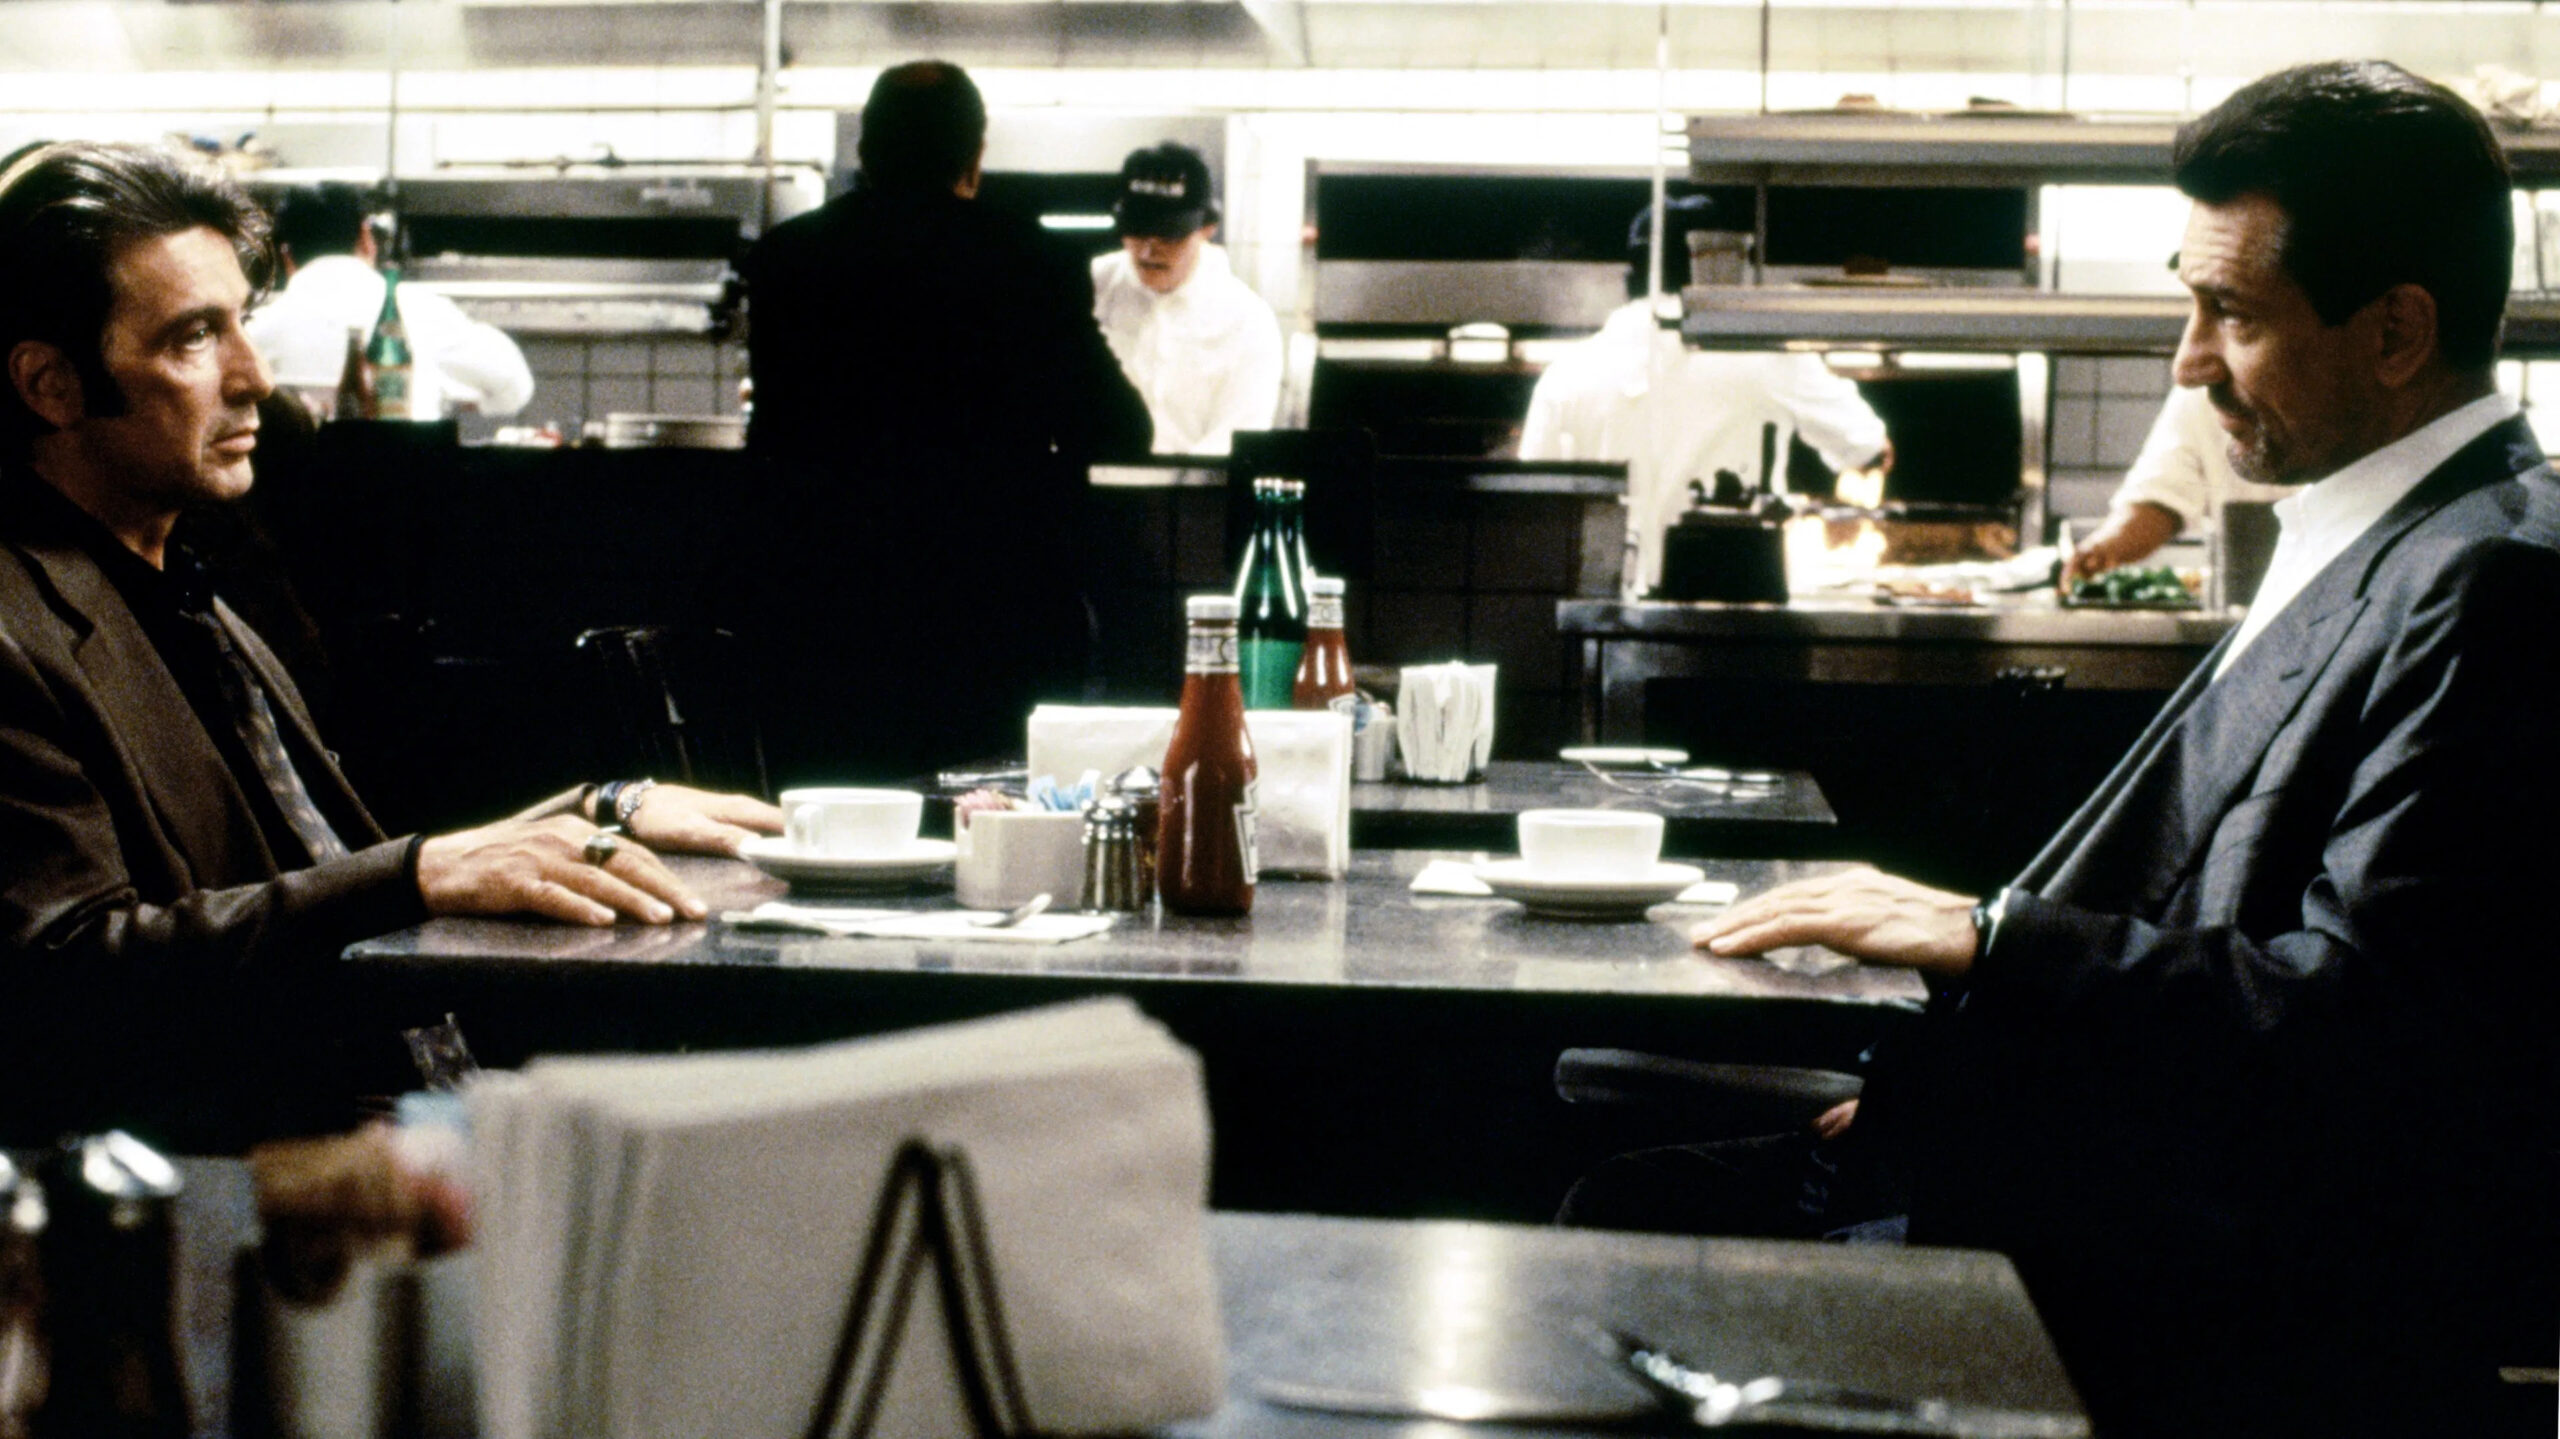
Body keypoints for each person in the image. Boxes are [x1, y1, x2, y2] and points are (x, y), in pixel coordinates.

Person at [1581, 63, 2555, 1436]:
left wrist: (1992, 936)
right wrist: (1963, 1077)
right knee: (1613, 1169)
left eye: (2232, 314)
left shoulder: (2495, 577)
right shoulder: (2378, 530)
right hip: (2125, 1192)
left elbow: (2361, 1030)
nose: (2188, 360)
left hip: (2210, 1299)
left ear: (2396, 330)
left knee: (1604, 1226)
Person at [0, 142, 781, 1142]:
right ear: (51, 384)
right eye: (193, 337)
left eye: (242, 322)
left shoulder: (185, 583)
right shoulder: (18, 625)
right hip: (248, 1164)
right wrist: (415, 874)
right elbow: (62, 976)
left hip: (381, 1103)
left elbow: (322, 863)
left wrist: (595, 809)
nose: (254, 375)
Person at [736, 60, 1149, 781]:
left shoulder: (789, 258)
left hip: (826, 603)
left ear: (865, 152)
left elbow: (771, 434)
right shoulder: (1033, 260)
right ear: (974, 157)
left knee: (836, 797)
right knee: (984, 808)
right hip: (990, 605)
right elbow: (1118, 429)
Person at [1519, 195, 1887, 597]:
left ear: (1631, 274)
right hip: (1719, 607)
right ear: (1721, 267)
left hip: (1596, 613)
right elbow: (1868, 447)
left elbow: (1527, 520)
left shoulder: (1563, 376)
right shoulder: (1760, 354)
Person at [245, 182, 533, 421]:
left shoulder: (257, 330)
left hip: (295, 474)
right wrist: (463, 398)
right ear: (366, 238)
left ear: (286, 255)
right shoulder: (424, 311)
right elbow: (515, 386)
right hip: (405, 470)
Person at [1090, 142, 1284, 457]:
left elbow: (1234, 439)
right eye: (1137, 231)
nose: (1148, 251)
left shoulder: (1248, 322)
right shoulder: (1088, 289)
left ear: (1208, 227)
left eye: (1169, 235)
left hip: (1198, 486)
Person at [2065, 382, 2299, 579]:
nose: (2184, 367)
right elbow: (2161, 492)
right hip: (2245, 599)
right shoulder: (2201, 392)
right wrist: (2103, 548)